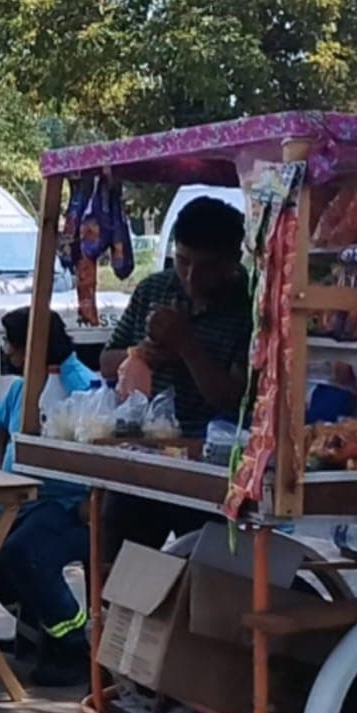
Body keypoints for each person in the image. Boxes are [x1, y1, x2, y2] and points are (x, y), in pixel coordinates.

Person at [97, 197, 252, 561]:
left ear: (233, 262)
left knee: (208, 569)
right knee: (114, 560)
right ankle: (108, 616)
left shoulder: (250, 307)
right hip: (143, 455)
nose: (191, 277)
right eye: (183, 262)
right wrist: (142, 353)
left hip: (209, 466)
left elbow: (231, 397)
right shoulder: (154, 289)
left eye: (206, 267)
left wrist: (187, 345)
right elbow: (106, 362)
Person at [0, 307, 101, 688]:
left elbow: (103, 449)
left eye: (11, 344)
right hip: (21, 497)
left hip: (68, 505)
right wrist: (0, 470)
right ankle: (37, 620)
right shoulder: (21, 387)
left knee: (23, 552)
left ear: (31, 348)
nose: (6, 351)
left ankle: (72, 643)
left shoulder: (84, 387)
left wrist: (92, 499)